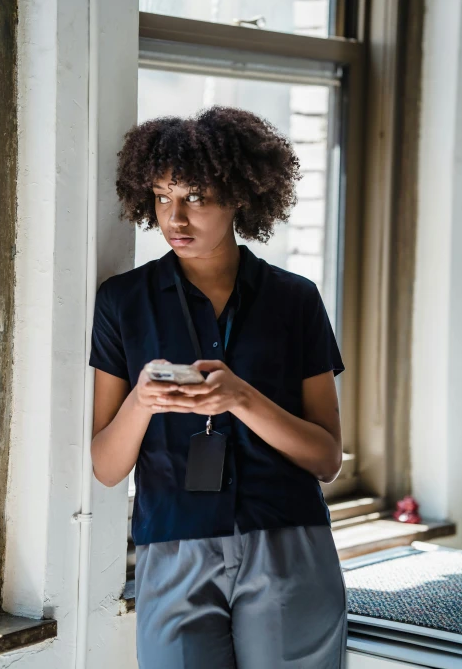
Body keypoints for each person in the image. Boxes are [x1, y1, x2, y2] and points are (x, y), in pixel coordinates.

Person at [89, 104, 348, 669]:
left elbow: (327, 458)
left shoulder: (295, 300)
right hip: (173, 545)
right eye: (161, 197)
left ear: (239, 196)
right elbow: (106, 466)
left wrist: (242, 399)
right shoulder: (121, 303)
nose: (174, 217)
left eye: (196, 197)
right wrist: (141, 400)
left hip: (288, 539)